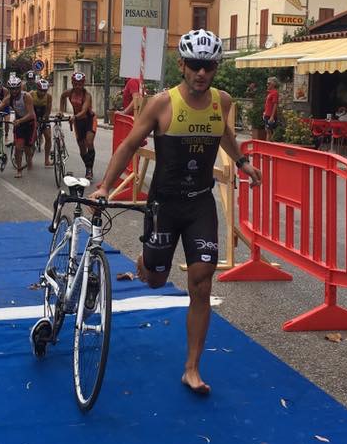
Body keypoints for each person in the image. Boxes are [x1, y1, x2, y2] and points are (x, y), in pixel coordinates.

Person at [90, 29, 261, 395]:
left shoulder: (222, 101)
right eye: (195, 65)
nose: (201, 73)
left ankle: (192, 368)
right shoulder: (161, 104)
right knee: (155, 279)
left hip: (200, 203)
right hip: (164, 204)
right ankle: (147, 260)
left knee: (201, 281)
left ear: (216, 68)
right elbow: (129, 145)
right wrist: (104, 186)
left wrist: (242, 162)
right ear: (182, 65)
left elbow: (223, 134)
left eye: (209, 66)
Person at [0, 76, 36, 177]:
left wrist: (20, 120)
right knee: (18, 148)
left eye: (16, 88)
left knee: (28, 148)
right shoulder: (9, 98)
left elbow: (31, 114)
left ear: (20, 88)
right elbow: (0, 106)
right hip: (19, 123)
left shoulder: (26, 96)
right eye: (12, 89)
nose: (14, 91)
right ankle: (19, 170)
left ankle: (29, 159)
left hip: (30, 123)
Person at [60, 72, 97, 179]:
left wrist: (74, 117)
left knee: (89, 142)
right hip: (78, 122)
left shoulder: (87, 95)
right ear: (72, 83)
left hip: (89, 119)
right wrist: (61, 111)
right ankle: (88, 166)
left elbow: (84, 111)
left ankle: (89, 170)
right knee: (82, 148)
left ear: (83, 84)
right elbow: (62, 96)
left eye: (80, 84)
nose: (77, 87)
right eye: (75, 84)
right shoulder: (69, 92)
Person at [31, 79, 53, 165]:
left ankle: (46, 160)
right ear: (37, 89)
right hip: (33, 115)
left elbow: (48, 111)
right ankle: (29, 159)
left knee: (48, 137)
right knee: (32, 139)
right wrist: (34, 120)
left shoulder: (49, 97)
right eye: (41, 90)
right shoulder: (31, 94)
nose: (43, 93)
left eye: (45, 91)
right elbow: (28, 109)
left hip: (43, 116)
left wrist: (44, 118)